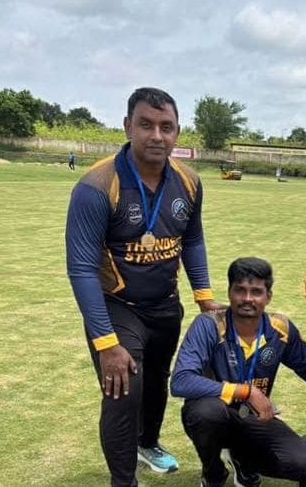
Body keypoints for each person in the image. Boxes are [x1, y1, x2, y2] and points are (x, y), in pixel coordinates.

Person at [65, 87, 220, 487]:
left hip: (166, 305)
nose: (156, 135)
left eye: (166, 127)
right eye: (146, 125)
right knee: (123, 389)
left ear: (177, 133)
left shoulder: (188, 182)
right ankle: (123, 481)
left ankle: (147, 443)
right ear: (127, 127)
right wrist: (105, 341)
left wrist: (205, 300)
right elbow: (81, 268)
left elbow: (193, 240)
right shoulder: (96, 186)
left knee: (156, 384)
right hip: (117, 305)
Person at [171, 256, 306, 487]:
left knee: (302, 464)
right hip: (214, 412)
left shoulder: (279, 329)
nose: (247, 299)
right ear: (230, 292)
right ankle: (213, 472)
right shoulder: (209, 325)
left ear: (268, 296)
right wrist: (246, 392)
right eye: (240, 290)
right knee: (206, 413)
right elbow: (180, 382)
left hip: (253, 419)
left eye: (256, 292)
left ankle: (243, 462)